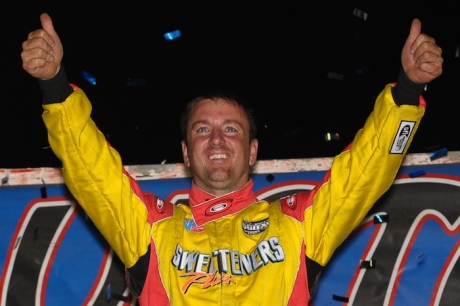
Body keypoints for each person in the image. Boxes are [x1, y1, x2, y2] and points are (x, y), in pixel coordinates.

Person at [21, 13, 442, 305]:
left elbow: (366, 171)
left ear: (254, 150)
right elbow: (91, 171)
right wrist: (55, 86)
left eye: (232, 129)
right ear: (185, 152)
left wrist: (406, 92)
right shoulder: (151, 229)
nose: (217, 139)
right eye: (202, 129)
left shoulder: (297, 227)